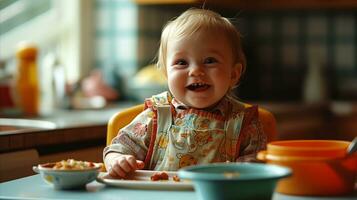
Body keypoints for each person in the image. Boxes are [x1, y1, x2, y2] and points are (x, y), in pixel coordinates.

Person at [103, 8, 267, 178]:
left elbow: (255, 172)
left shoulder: (245, 123)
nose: (195, 71)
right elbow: (119, 149)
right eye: (181, 62)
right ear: (166, 74)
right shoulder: (156, 115)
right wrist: (117, 160)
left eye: (210, 61)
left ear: (233, 74)